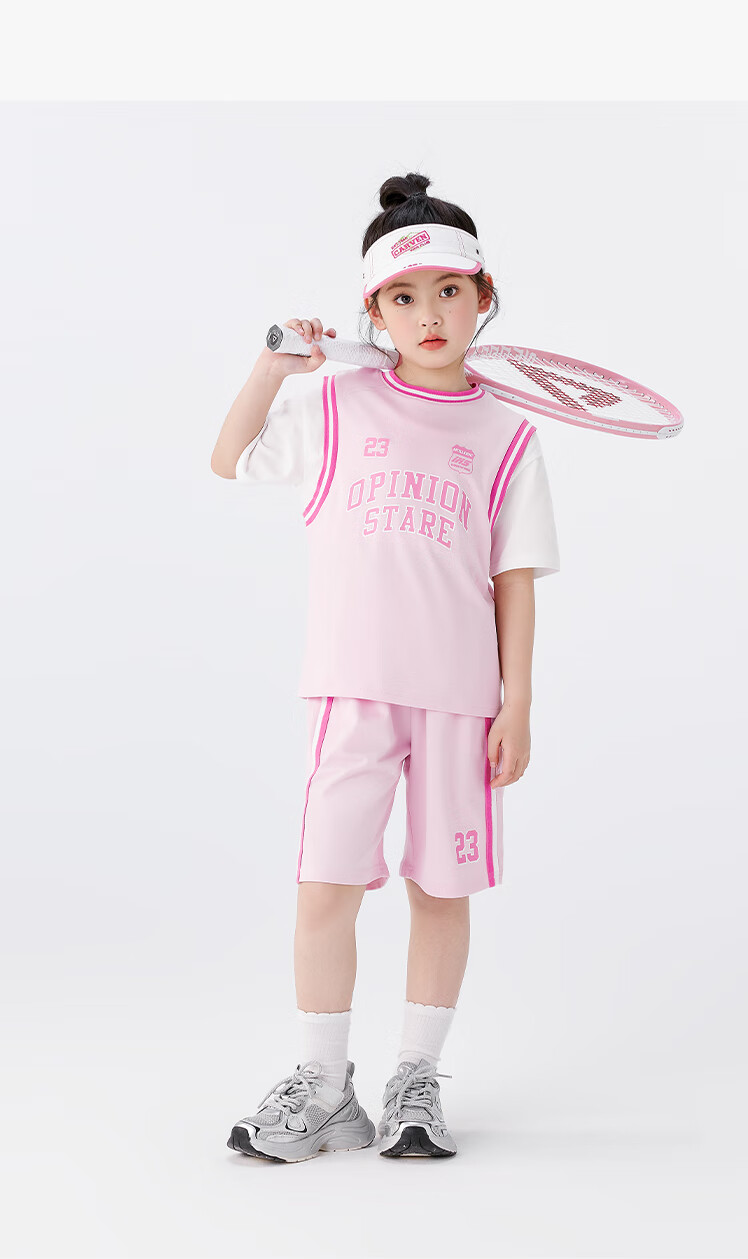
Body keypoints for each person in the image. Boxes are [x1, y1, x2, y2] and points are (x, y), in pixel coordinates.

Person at [210, 171, 561, 1162]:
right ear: (375, 310)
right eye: (403, 298)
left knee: (439, 890)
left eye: (449, 291)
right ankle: (324, 1088)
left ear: (484, 296)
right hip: (351, 689)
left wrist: (518, 703)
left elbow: (514, 578)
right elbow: (229, 456)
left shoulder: (509, 434)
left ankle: (416, 1079)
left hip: (461, 700)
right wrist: (272, 366)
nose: (429, 315)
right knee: (325, 883)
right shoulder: (339, 402)